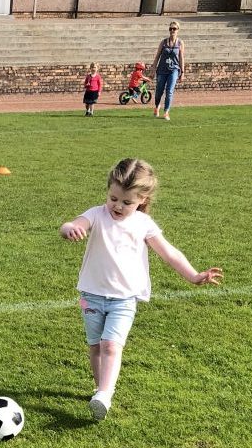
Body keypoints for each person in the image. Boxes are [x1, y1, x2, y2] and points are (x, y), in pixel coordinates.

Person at [59, 158, 222, 422]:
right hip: (90, 295)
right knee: (95, 346)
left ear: (142, 200)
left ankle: (105, 394)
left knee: (111, 345)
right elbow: (70, 224)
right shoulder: (96, 214)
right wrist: (71, 229)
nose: (117, 206)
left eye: (126, 202)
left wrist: (193, 275)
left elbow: (169, 253)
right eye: (113, 198)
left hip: (124, 299)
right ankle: (99, 390)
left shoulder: (143, 224)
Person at [149, 21, 184, 120]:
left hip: (174, 70)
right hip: (162, 70)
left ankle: (166, 112)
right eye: (170, 29)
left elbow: (181, 58)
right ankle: (157, 106)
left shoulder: (180, 43)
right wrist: (153, 69)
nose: (172, 30)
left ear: (178, 30)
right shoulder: (163, 42)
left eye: (174, 29)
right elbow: (157, 56)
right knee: (159, 91)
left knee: (169, 91)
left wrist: (182, 72)